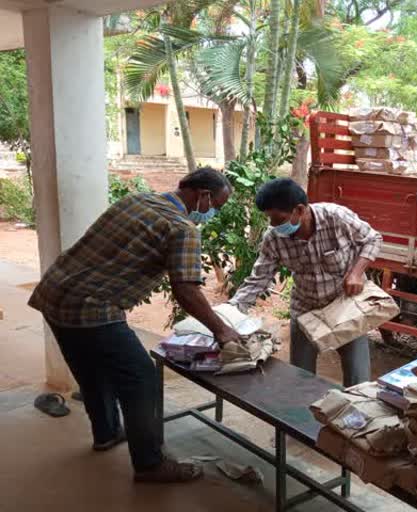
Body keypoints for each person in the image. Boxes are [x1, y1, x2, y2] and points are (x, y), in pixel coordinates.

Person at [28, 167, 241, 483]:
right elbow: (186, 289)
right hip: (92, 308)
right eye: (216, 206)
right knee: (141, 377)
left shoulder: (136, 201)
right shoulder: (182, 228)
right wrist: (223, 331)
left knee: (91, 370)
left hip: (55, 292)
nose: (213, 213)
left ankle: (107, 433)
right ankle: (150, 464)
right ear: (203, 195)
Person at [230, 178, 382, 387]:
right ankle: (301, 417)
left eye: (278, 219)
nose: (273, 225)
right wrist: (231, 311)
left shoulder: (336, 217)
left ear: (299, 210)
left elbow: (373, 239)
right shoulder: (273, 238)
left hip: (345, 305)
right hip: (305, 308)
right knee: (300, 376)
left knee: (358, 377)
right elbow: (259, 278)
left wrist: (356, 273)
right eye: (269, 219)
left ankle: (356, 415)